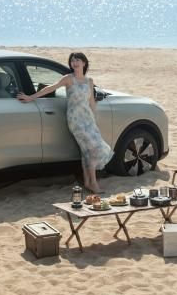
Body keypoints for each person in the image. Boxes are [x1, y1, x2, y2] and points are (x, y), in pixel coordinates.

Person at [18, 52, 113, 193]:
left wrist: (94, 121)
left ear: (84, 63)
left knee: (87, 150)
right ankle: (94, 183)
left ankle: (87, 182)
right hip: (75, 119)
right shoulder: (68, 78)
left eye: (78, 60)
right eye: (72, 60)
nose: (75, 63)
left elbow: (91, 102)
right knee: (93, 148)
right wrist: (31, 97)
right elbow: (50, 88)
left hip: (88, 119)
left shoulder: (89, 81)